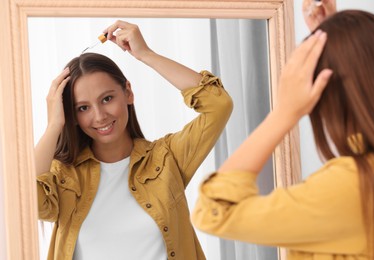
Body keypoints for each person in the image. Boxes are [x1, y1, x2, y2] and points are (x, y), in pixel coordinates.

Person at [191, 2, 374, 259]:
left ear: (324, 93)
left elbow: (215, 210)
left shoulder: (355, 187)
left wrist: (285, 112)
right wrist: (340, 41)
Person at [35, 20, 233, 260]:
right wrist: (54, 125)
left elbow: (218, 104)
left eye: (107, 99)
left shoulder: (167, 159)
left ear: (128, 92)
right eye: (83, 108)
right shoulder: (65, 176)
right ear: (72, 116)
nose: (99, 116)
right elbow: (27, 202)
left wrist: (146, 54)